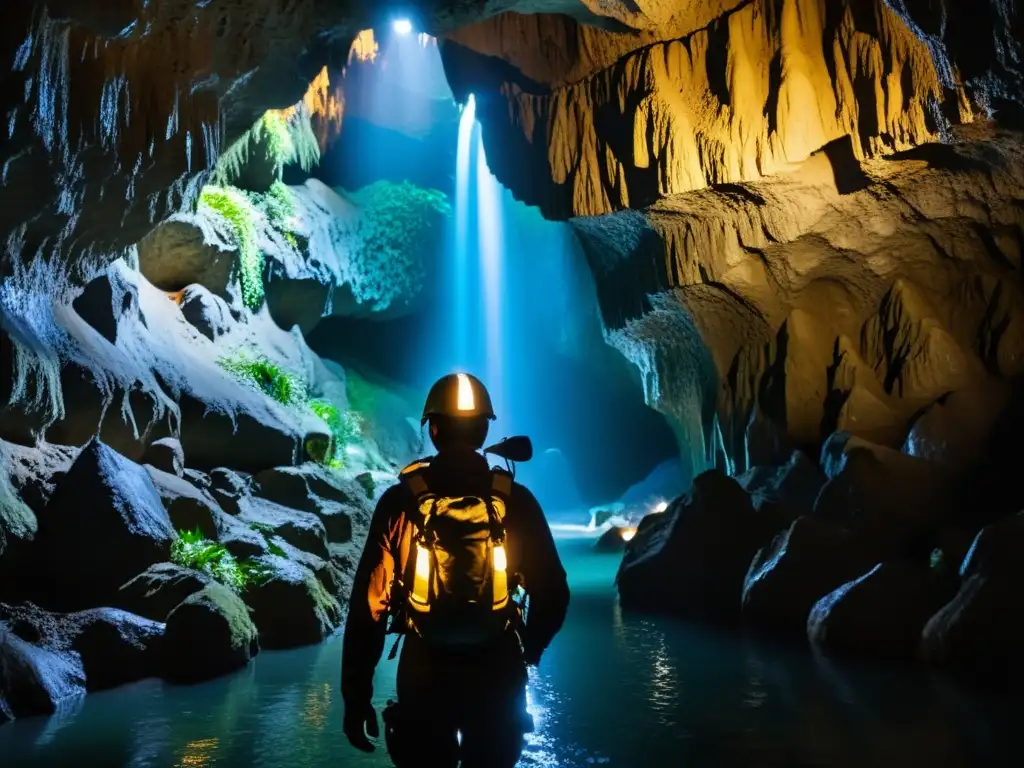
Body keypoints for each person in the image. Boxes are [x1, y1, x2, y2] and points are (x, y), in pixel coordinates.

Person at [341, 372, 570, 767]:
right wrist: (530, 649)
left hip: (425, 670)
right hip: (497, 668)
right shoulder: (515, 501)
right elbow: (554, 591)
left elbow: (368, 607)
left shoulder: (400, 502)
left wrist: (356, 697)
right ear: (483, 432)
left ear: (433, 429)